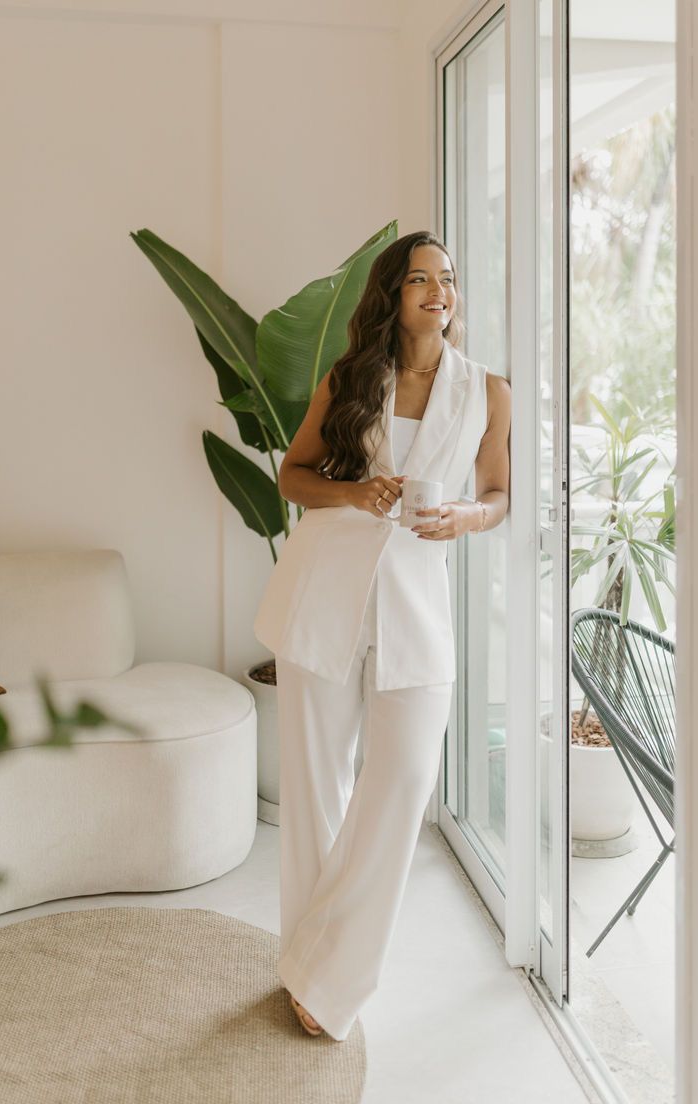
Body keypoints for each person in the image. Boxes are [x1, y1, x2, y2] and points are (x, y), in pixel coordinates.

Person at [253, 230, 511, 1041]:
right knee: (316, 787)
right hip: (324, 594)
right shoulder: (351, 378)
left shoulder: (487, 391)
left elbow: (499, 495)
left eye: (449, 278)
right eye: (422, 278)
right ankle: (308, 971)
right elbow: (294, 477)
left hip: (416, 605)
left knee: (400, 781)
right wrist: (357, 492)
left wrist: (464, 517)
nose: (439, 290)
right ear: (392, 294)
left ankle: (328, 973)